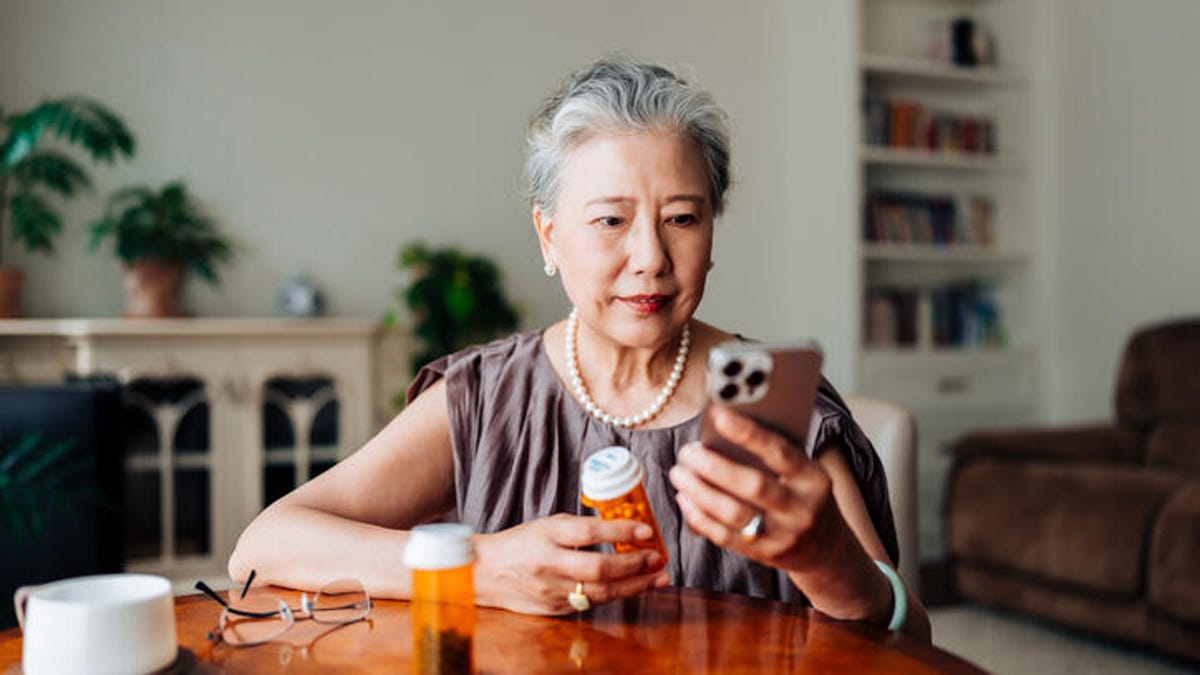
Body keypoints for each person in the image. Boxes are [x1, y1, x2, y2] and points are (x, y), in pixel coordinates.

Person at [229, 57, 931, 641]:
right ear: (548, 236)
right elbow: (262, 546)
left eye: (682, 218)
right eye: (610, 220)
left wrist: (833, 561)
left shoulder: (765, 393)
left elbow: (912, 640)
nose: (651, 258)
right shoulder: (489, 395)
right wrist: (479, 565)